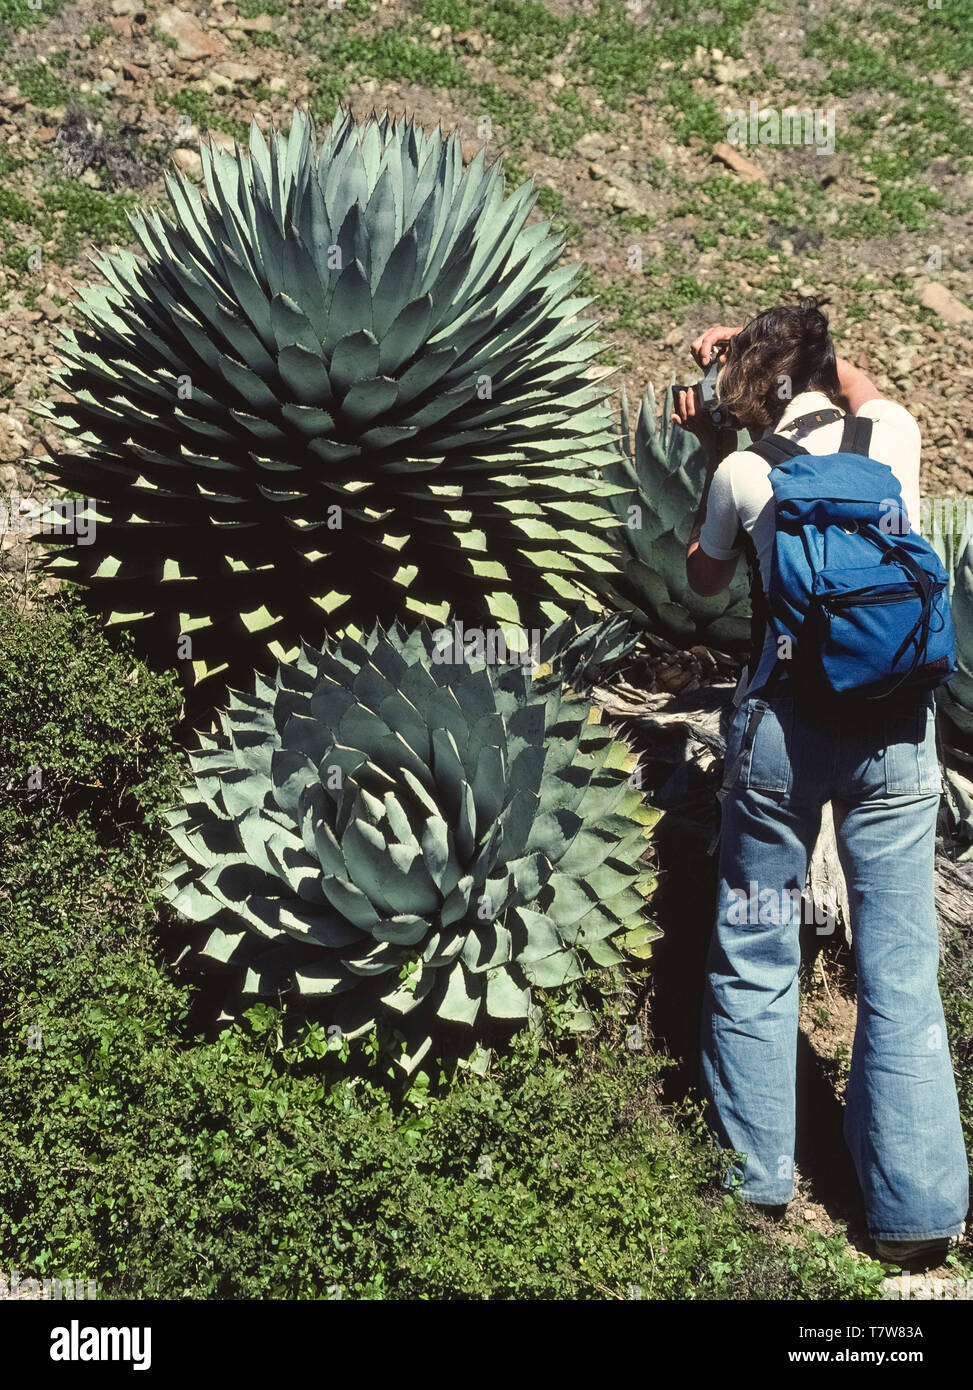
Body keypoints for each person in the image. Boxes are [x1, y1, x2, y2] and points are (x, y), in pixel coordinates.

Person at [673, 300, 969, 1264]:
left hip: (782, 742)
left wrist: (713, 428)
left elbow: (704, 584)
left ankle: (754, 1183)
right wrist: (781, 349)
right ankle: (916, 1211)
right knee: (898, 969)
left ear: (755, 383)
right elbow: (860, 388)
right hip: (895, 735)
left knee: (758, 949)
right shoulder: (892, 434)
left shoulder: (742, 470)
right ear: (831, 364)